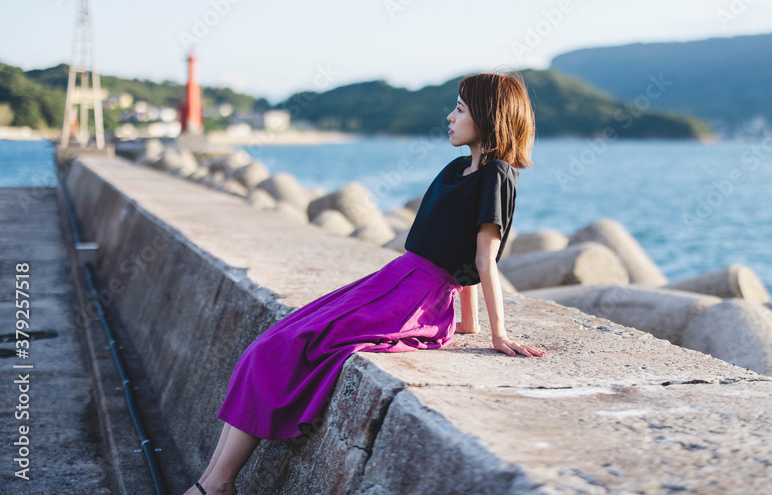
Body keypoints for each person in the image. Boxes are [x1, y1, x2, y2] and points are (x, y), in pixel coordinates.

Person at [186, 70, 546, 495]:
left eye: (460, 109)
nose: (450, 117)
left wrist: (495, 333)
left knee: (286, 350)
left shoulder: (498, 174)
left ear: (488, 116)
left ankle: (218, 484)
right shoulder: (457, 169)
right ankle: (211, 481)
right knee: (267, 345)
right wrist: (469, 324)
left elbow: (483, 259)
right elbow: (464, 249)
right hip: (395, 279)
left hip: (416, 300)